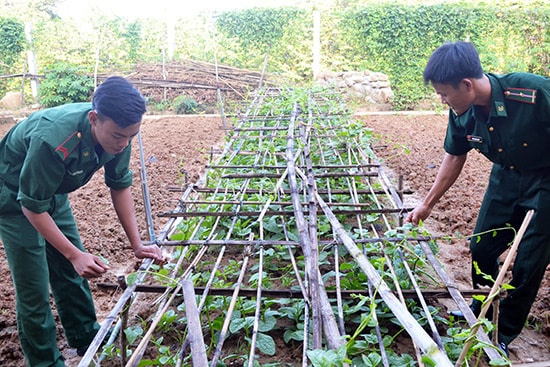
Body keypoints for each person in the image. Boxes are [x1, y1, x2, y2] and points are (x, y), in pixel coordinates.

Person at [0, 76, 164, 366]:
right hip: (14, 195)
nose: (123, 143)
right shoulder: (53, 139)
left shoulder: (119, 134)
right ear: (94, 119)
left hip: (52, 191)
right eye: (117, 135)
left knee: (72, 270)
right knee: (34, 286)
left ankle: (85, 333)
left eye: (131, 135)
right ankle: (44, 361)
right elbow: (31, 205)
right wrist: (74, 254)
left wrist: (137, 244)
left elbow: (119, 185)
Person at [406, 41, 550, 357]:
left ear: (467, 85)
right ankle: (480, 305)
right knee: (482, 246)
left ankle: (503, 330)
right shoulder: (461, 111)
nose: (442, 100)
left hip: (545, 180)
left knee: (528, 262)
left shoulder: (533, 93)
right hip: (505, 179)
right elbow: (455, 156)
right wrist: (427, 202)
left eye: (444, 93)